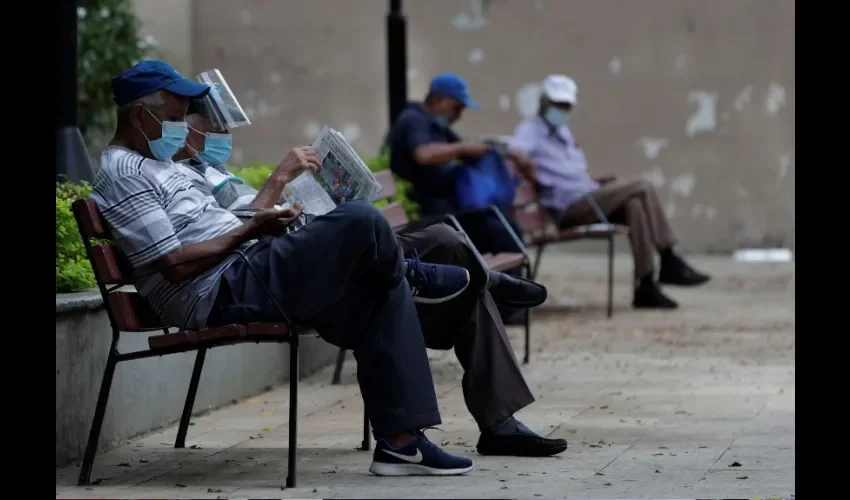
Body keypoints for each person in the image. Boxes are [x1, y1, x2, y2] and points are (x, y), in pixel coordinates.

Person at [90, 60, 477, 477]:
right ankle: (409, 273)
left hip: (245, 266)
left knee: (378, 290)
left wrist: (268, 221)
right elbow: (173, 265)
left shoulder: (171, 166)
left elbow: (217, 228)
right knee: (360, 219)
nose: (183, 127)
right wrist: (251, 229)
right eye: (174, 118)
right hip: (217, 288)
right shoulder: (124, 172)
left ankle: (401, 445)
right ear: (138, 115)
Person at [172, 93, 568, 458]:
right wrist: (278, 180)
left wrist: (300, 206)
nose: (218, 137)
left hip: (314, 248)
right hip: (298, 268)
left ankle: (497, 411)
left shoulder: (210, 171)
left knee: (445, 239)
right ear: (183, 129)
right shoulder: (173, 182)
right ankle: (485, 291)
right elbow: (237, 237)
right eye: (210, 129)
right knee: (451, 271)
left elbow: (252, 219)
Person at [510, 74, 711, 309]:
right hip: (568, 207)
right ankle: (668, 257)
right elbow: (513, 149)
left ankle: (645, 286)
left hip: (587, 197)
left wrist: (594, 183)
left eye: (566, 106)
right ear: (545, 103)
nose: (562, 110)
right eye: (558, 105)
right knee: (642, 186)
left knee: (634, 205)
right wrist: (527, 163)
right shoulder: (531, 130)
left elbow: (569, 175)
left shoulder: (563, 133)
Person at [386, 72, 537, 324]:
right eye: (458, 107)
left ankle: (506, 303)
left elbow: (465, 146)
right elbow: (424, 154)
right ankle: (507, 308)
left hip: (449, 210)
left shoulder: (436, 124)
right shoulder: (414, 120)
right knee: (499, 229)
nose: (459, 114)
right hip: (429, 215)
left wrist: (497, 150)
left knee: (503, 226)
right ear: (442, 101)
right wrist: (463, 149)